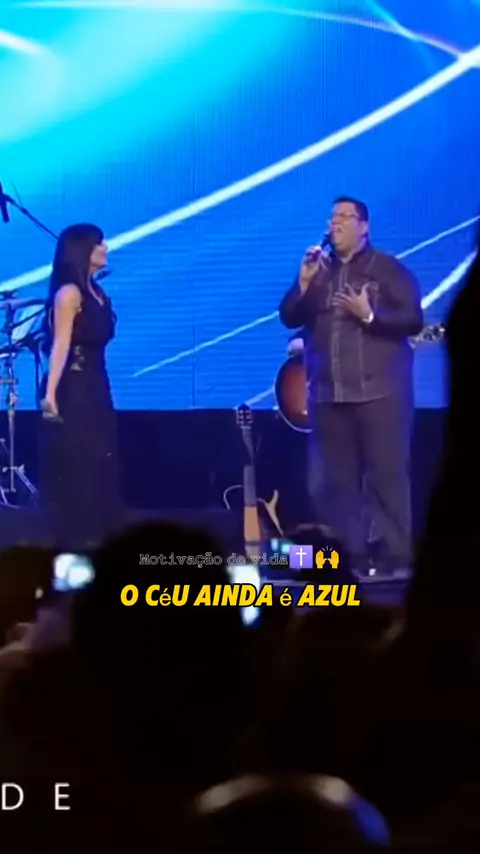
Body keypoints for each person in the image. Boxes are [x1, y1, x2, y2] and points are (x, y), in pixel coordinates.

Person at [279, 197, 423, 579]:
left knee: (387, 478)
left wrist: (370, 316)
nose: (336, 223)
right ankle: (349, 557)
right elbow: (288, 316)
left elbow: (412, 319)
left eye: (345, 216)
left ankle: (397, 558)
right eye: (333, 217)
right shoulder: (319, 272)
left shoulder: (387, 269)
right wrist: (303, 283)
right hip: (327, 393)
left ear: (364, 227)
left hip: (381, 391)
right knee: (332, 484)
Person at [40, 223, 123, 549]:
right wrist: (50, 394)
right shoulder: (69, 294)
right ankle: (77, 541)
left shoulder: (97, 293)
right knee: (80, 462)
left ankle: (101, 538)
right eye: (98, 243)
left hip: (97, 383)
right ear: (82, 250)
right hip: (74, 387)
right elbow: (60, 344)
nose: (105, 248)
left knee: (103, 458)